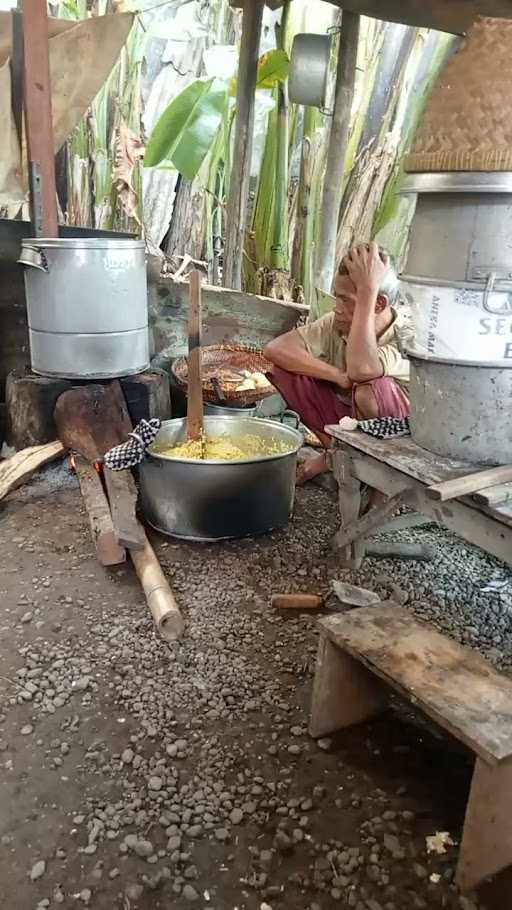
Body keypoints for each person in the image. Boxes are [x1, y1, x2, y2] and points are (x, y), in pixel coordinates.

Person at [264, 242, 410, 484]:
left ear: (379, 303)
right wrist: (338, 376)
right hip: (352, 419)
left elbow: (362, 370)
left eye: (346, 300)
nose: (336, 308)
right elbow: (275, 350)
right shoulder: (336, 320)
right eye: (337, 298)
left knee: (370, 391)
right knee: (287, 370)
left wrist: (367, 289)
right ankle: (337, 455)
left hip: (401, 434)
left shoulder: (408, 333)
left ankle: (381, 487)